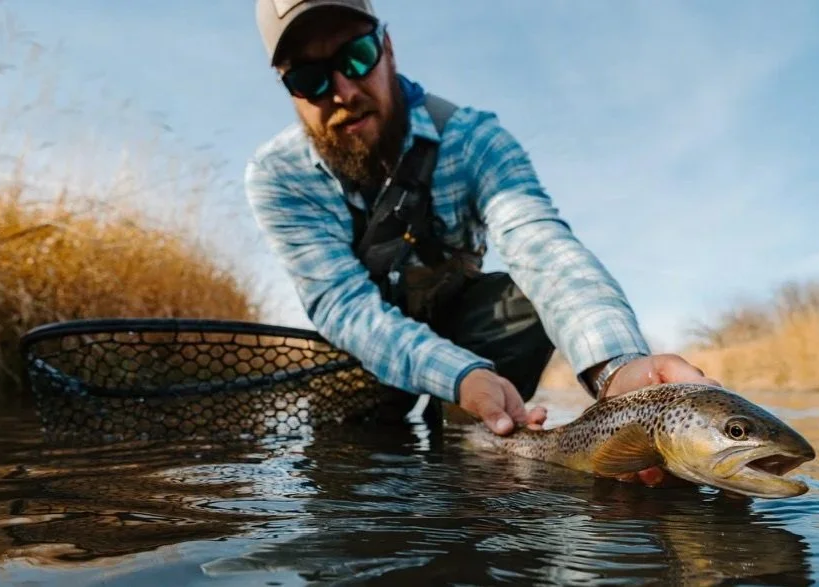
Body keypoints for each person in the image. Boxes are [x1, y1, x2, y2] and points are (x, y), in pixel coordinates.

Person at [248, 0, 719, 483]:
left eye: (356, 56)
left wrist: (616, 368)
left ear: (387, 49)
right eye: (309, 78)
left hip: (462, 324)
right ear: (289, 90)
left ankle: (475, 434)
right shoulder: (277, 177)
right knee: (349, 452)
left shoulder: (475, 139)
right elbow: (344, 306)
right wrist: (458, 374)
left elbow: (541, 246)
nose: (343, 91)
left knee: (523, 305)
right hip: (361, 346)